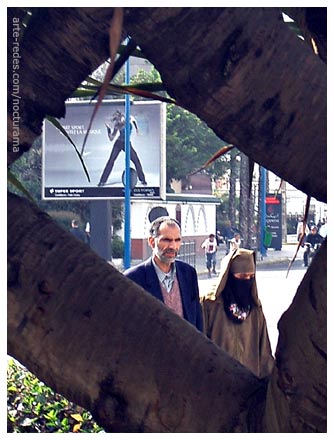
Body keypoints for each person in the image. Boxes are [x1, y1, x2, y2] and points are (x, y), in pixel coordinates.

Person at [201, 248, 274, 378]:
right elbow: (200, 345)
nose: (247, 281)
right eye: (241, 276)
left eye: (251, 277)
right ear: (228, 276)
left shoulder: (254, 308)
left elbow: (264, 354)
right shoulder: (210, 304)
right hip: (217, 383)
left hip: (249, 385)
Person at [124, 216, 203, 331]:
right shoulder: (133, 279)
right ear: (151, 242)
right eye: (166, 240)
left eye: (177, 240)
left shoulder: (188, 274)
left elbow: (198, 322)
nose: (172, 246)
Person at [98, 111, 147, 186]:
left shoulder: (129, 118)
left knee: (136, 161)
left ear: (122, 117)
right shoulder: (117, 125)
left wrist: (137, 130)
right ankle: (102, 181)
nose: (118, 122)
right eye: (117, 121)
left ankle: (142, 180)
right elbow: (111, 138)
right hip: (119, 143)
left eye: (119, 120)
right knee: (111, 161)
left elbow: (134, 120)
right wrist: (108, 130)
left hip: (127, 144)